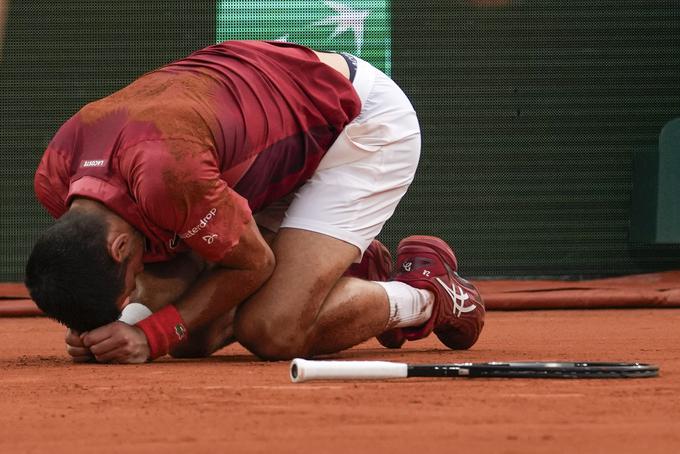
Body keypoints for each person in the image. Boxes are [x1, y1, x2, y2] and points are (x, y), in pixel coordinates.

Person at [25, 40, 485, 363]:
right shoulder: (56, 180)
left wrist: (152, 331)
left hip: (356, 124)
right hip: (251, 142)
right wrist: (115, 330)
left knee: (271, 330)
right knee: (193, 337)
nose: (134, 288)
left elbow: (252, 265)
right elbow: (175, 281)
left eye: (128, 284)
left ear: (119, 248)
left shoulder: (168, 178)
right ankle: (341, 267)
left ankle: (429, 295)